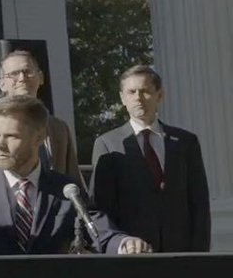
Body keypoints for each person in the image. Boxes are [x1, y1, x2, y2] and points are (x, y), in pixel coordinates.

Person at [0, 95, 151, 256]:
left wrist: (125, 244)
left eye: (11, 136)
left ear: (38, 138)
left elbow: (99, 232)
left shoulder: (66, 190)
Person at [90, 65, 210, 253]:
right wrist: (119, 243)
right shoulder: (107, 144)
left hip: (182, 253)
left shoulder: (186, 142)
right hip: (134, 255)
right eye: (131, 92)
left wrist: (200, 254)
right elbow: (100, 207)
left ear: (159, 95)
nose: (138, 98)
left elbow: (199, 202)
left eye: (145, 91)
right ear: (122, 98)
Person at [0, 50, 82, 184]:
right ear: (2, 84)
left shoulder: (59, 128)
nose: (22, 78)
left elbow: (74, 182)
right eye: (14, 74)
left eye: (27, 71)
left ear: (41, 78)